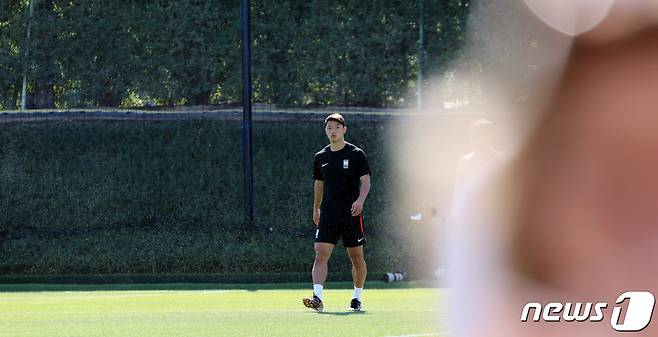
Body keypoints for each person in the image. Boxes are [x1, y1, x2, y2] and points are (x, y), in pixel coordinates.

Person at [302, 113, 372, 312]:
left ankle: (357, 298)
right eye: (329, 128)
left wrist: (360, 201)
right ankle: (317, 297)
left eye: (336, 127)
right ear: (325, 131)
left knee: (356, 257)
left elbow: (365, 181)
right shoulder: (321, 156)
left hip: (351, 214)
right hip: (328, 214)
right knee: (320, 254)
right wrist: (316, 208)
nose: (332, 131)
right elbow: (319, 184)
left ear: (344, 129)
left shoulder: (356, 154)